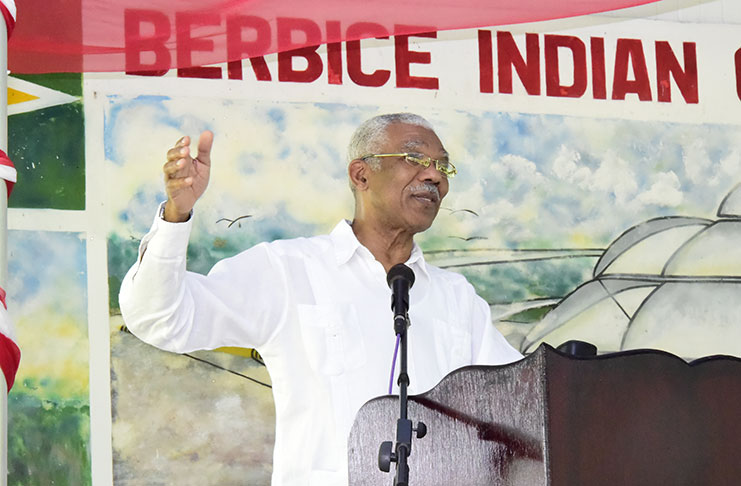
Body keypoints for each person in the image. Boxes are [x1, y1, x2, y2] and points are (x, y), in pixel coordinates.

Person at [119, 113, 523, 486]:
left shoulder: (457, 300)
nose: (434, 176)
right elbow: (163, 318)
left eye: (443, 165)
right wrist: (176, 216)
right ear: (361, 174)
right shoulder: (288, 271)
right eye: (414, 158)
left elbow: (522, 404)